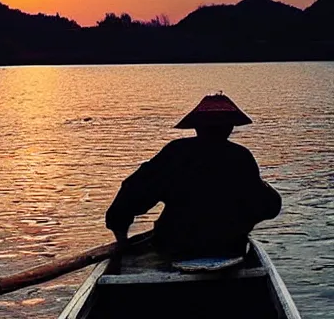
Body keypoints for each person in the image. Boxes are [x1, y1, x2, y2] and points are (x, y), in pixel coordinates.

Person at [105, 93, 282, 260]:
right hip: (227, 247)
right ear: (230, 127)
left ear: (197, 126)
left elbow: (131, 194)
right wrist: (242, 224)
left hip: (175, 245)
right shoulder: (240, 157)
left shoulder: (175, 153)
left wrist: (122, 242)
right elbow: (269, 207)